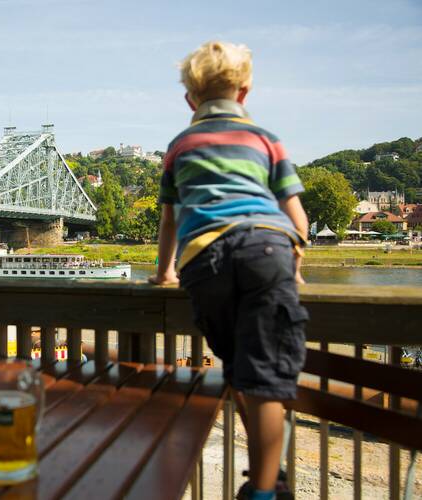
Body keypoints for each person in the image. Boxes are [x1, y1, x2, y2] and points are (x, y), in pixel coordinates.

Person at [149, 41, 310, 500]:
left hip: (203, 261)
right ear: (245, 92)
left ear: (189, 101)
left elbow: (170, 220)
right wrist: (294, 263)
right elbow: (296, 218)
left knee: (241, 369)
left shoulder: (180, 145)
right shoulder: (266, 140)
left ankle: (263, 477)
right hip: (266, 249)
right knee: (264, 376)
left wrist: (164, 275)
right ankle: (264, 489)